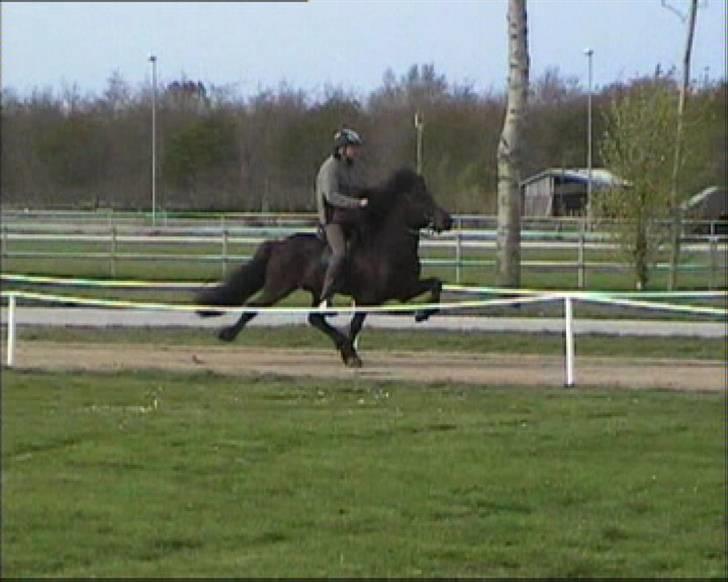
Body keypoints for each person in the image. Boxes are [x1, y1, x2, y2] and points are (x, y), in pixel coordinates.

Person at [315, 128, 369, 308]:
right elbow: (332, 196)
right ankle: (325, 297)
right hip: (332, 220)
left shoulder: (352, 168)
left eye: (356, 148)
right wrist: (357, 204)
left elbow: (359, 189)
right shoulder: (330, 168)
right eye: (353, 148)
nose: (356, 151)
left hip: (350, 218)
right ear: (341, 149)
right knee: (340, 254)